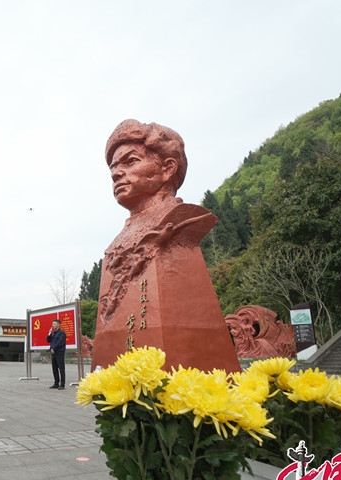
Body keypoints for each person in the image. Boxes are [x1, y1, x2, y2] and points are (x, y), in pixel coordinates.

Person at [91, 120, 239, 373]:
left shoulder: (181, 220)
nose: (116, 173)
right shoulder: (120, 239)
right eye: (114, 168)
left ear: (167, 168)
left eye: (130, 162)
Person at [46, 319, 67, 390]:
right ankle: (56, 383)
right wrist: (49, 334)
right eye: (52, 324)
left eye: (54, 324)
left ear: (58, 324)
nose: (53, 325)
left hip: (59, 352)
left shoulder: (62, 333)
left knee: (61, 368)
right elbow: (49, 340)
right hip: (53, 353)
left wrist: (54, 349)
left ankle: (62, 384)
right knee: (54, 368)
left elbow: (60, 342)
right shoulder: (53, 333)